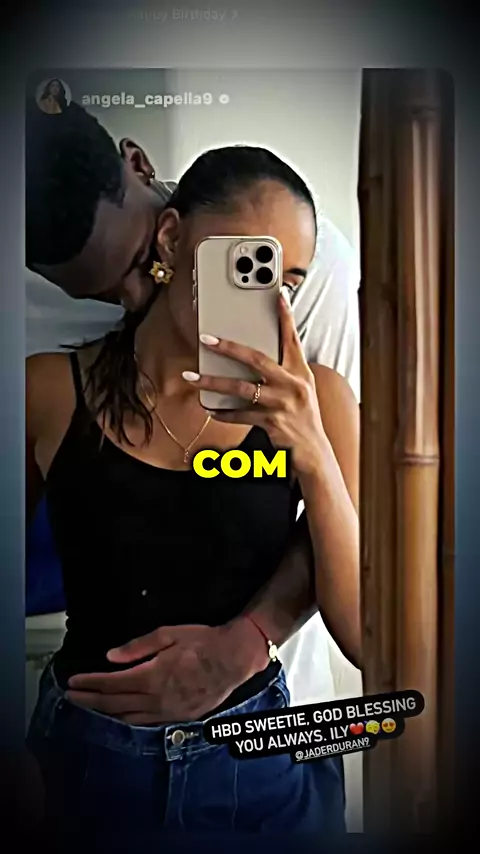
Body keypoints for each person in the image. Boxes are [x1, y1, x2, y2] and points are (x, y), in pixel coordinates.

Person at [26, 142, 359, 841]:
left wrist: (315, 455)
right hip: (87, 762)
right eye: (246, 265)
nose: (263, 299)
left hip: (262, 763)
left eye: (287, 282)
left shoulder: (321, 401)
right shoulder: (47, 390)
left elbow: (366, 637)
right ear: (172, 238)